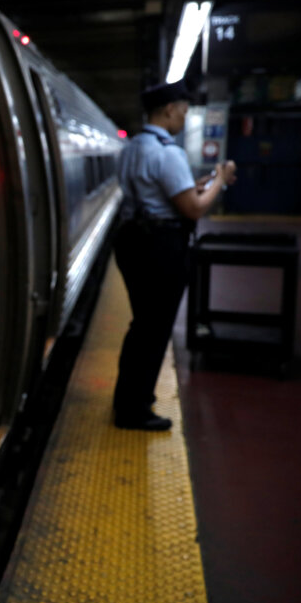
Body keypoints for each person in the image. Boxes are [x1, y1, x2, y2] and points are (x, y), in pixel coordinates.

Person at [112, 83, 237, 431]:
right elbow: (193, 209)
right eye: (183, 110)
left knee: (142, 325)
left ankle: (129, 400)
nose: (184, 117)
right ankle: (134, 410)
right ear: (168, 109)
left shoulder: (133, 147)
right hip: (161, 246)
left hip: (132, 240)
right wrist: (220, 181)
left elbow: (163, 193)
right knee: (154, 330)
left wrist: (201, 183)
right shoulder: (169, 152)